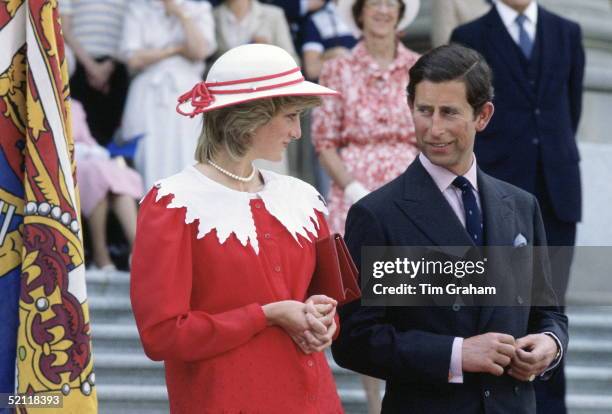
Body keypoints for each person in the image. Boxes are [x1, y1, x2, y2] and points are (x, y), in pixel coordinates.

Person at [331, 44, 568, 413]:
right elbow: (354, 341)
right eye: (424, 111)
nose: (434, 128)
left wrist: (550, 345)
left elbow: (549, 312)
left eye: (449, 113)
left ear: (483, 115)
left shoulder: (522, 206)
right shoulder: (377, 215)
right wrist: (457, 354)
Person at [130, 44, 343, 413]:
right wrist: (266, 314)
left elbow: (328, 301)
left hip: (313, 400)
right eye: (290, 117)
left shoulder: (303, 199)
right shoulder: (173, 203)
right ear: (250, 119)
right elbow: (162, 334)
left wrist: (324, 319)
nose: (297, 132)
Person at [450, 2, 584, 411]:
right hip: (498, 191)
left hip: (556, 189)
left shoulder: (567, 31)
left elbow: (570, 108)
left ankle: (551, 406)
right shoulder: (470, 36)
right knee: (502, 303)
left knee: (551, 308)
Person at [311, 0, 420, 410]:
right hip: (356, 192)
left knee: (411, 295)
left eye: (390, 3)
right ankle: (375, 403)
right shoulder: (338, 68)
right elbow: (324, 142)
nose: (382, 10)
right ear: (359, 12)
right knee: (368, 302)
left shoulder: (419, 67)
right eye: (374, 3)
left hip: (411, 188)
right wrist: (354, 188)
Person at [119, 0, 217, 190]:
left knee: (189, 151)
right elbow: (133, 59)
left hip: (188, 91)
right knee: (149, 154)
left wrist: (181, 15)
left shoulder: (199, 8)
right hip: (148, 91)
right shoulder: (138, 8)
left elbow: (200, 51)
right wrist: (175, 50)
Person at [71, 100, 142, 270]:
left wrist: (94, 151)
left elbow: (88, 140)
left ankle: (139, 247)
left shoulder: (75, 106)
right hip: (64, 166)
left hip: (87, 162)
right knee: (96, 175)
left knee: (116, 176)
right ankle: (100, 253)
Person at [60, 0, 129, 146]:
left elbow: (131, 28)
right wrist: (91, 66)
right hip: (78, 66)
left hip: (115, 69)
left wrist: (110, 64)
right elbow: (64, 28)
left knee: (106, 141)